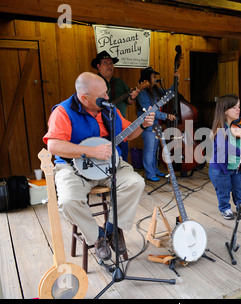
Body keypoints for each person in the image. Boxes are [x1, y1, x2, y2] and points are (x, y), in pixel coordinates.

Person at [43, 72, 155, 261]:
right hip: (72, 168)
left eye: (106, 92)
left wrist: (142, 125)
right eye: (102, 95)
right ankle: (98, 236)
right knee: (68, 201)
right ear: (84, 97)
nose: (107, 98)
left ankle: (112, 228)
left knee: (135, 182)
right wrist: (91, 152)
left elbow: (127, 132)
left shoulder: (110, 110)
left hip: (108, 165)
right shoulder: (62, 112)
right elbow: (53, 145)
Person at [92, 50, 140, 162]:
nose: (109, 66)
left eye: (111, 63)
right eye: (105, 63)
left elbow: (129, 101)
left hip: (120, 125)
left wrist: (133, 96)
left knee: (122, 157)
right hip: (101, 127)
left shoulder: (119, 82)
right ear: (98, 66)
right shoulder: (94, 82)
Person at [136, 67, 176, 182]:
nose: (156, 79)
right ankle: (149, 173)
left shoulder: (156, 91)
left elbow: (170, 93)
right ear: (147, 79)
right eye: (153, 77)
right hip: (148, 125)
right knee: (149, 150)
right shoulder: (142, 93)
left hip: (156, 125)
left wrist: (176, 79)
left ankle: (154, 170)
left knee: (154, 150)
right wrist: (166, 116)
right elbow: (149, 111)